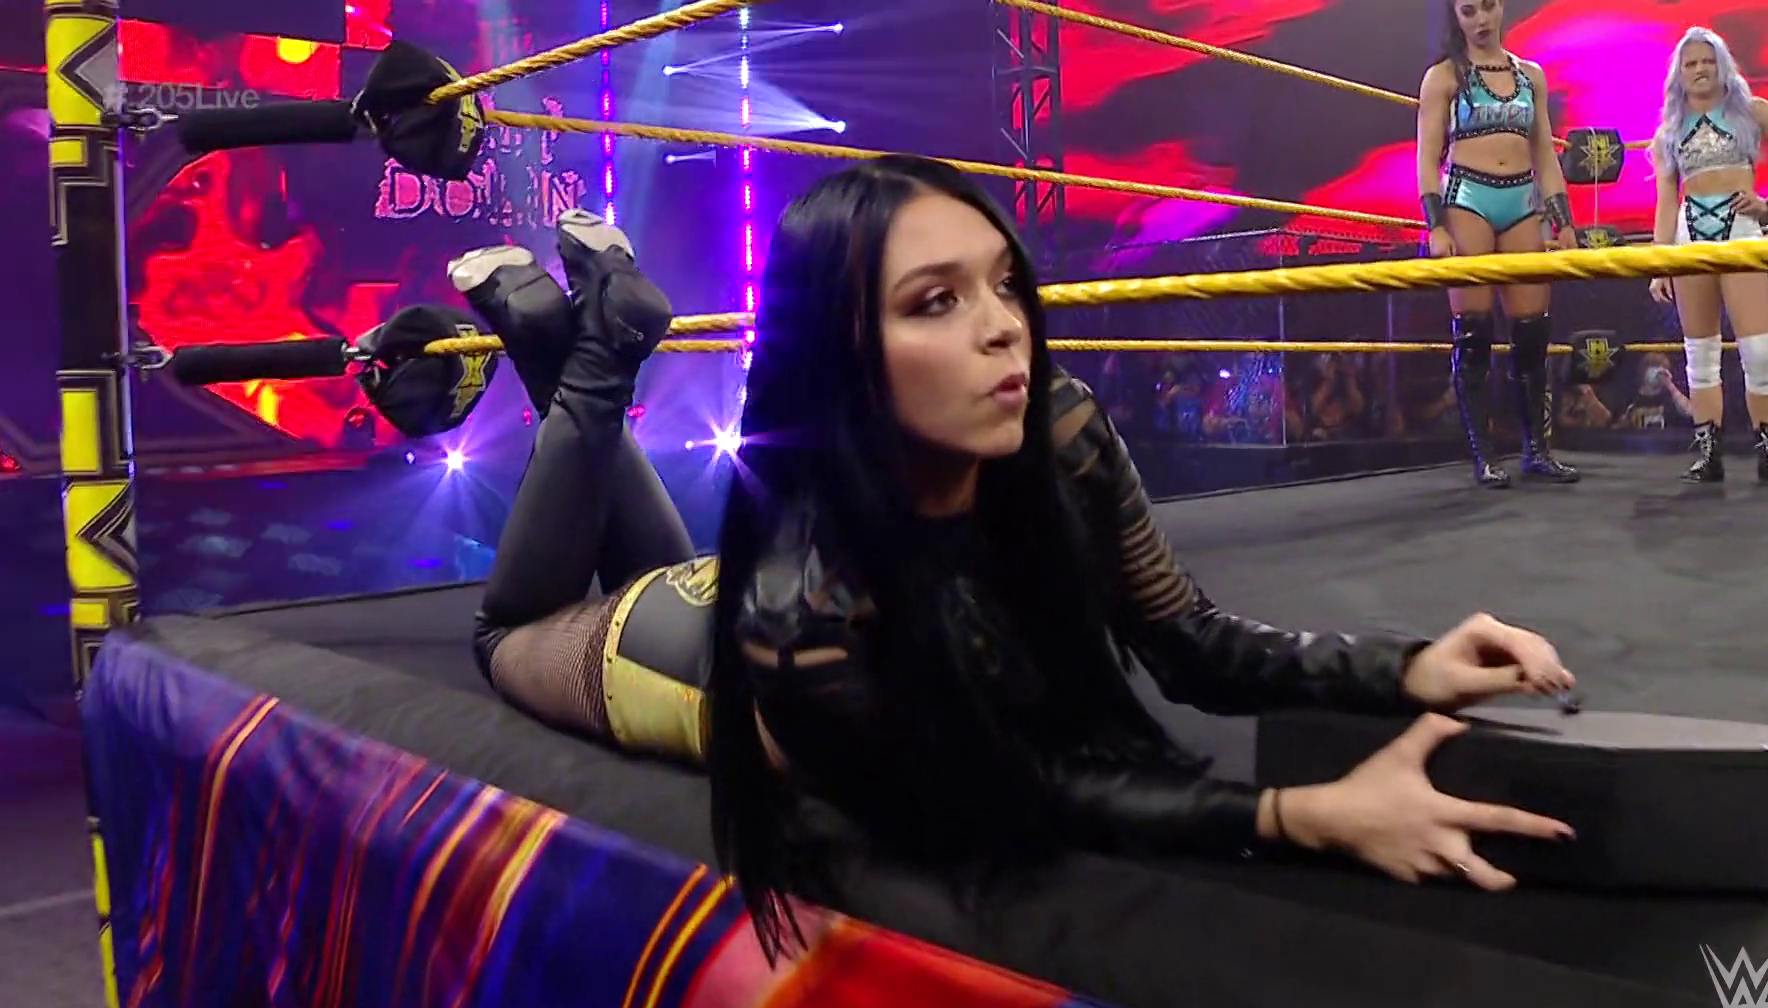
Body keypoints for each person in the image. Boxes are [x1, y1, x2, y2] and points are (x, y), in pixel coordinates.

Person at [459, 161, 1580, 962]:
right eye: (935, 302)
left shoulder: (1060, 428)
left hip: (736, 607)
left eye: (1003, 283)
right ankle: (587, 353)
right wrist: (1301, 815)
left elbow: (1187, 641)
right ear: (845, 351)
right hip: (656, 653)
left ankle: (561, 333)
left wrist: (1407, 666)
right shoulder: (799, 609)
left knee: (644, 568)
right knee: (503, 632)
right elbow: (1000, 792)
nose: (1005, 327)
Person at [1647, 26, 1768, 484]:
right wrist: (1659, 264)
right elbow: (1666, 201)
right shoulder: (1669, 131)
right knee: (1699, 354)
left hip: (1742, 232)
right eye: (1691, 63)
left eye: (1708, 60)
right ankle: (1709, 454)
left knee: (1760, 352)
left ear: (1722, 65)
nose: (1700, 69)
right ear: (1679, 73)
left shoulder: (1751, 111)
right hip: (1690, 237)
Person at [1417, 0, 1580, 489]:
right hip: (1468, 197)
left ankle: (1537, 451)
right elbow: (1427, 158)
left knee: (1532, 330)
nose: (1481, 20)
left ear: (1501, 6)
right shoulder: (1443, 77)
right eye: (1469, 11)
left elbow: (1545, 154)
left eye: (1487, 7)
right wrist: (1436, 227)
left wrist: (1563, 222)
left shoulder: (1531, 75)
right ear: (1456, 17)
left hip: (1522, 200)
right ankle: (1484, 456)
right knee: (1474, 332)